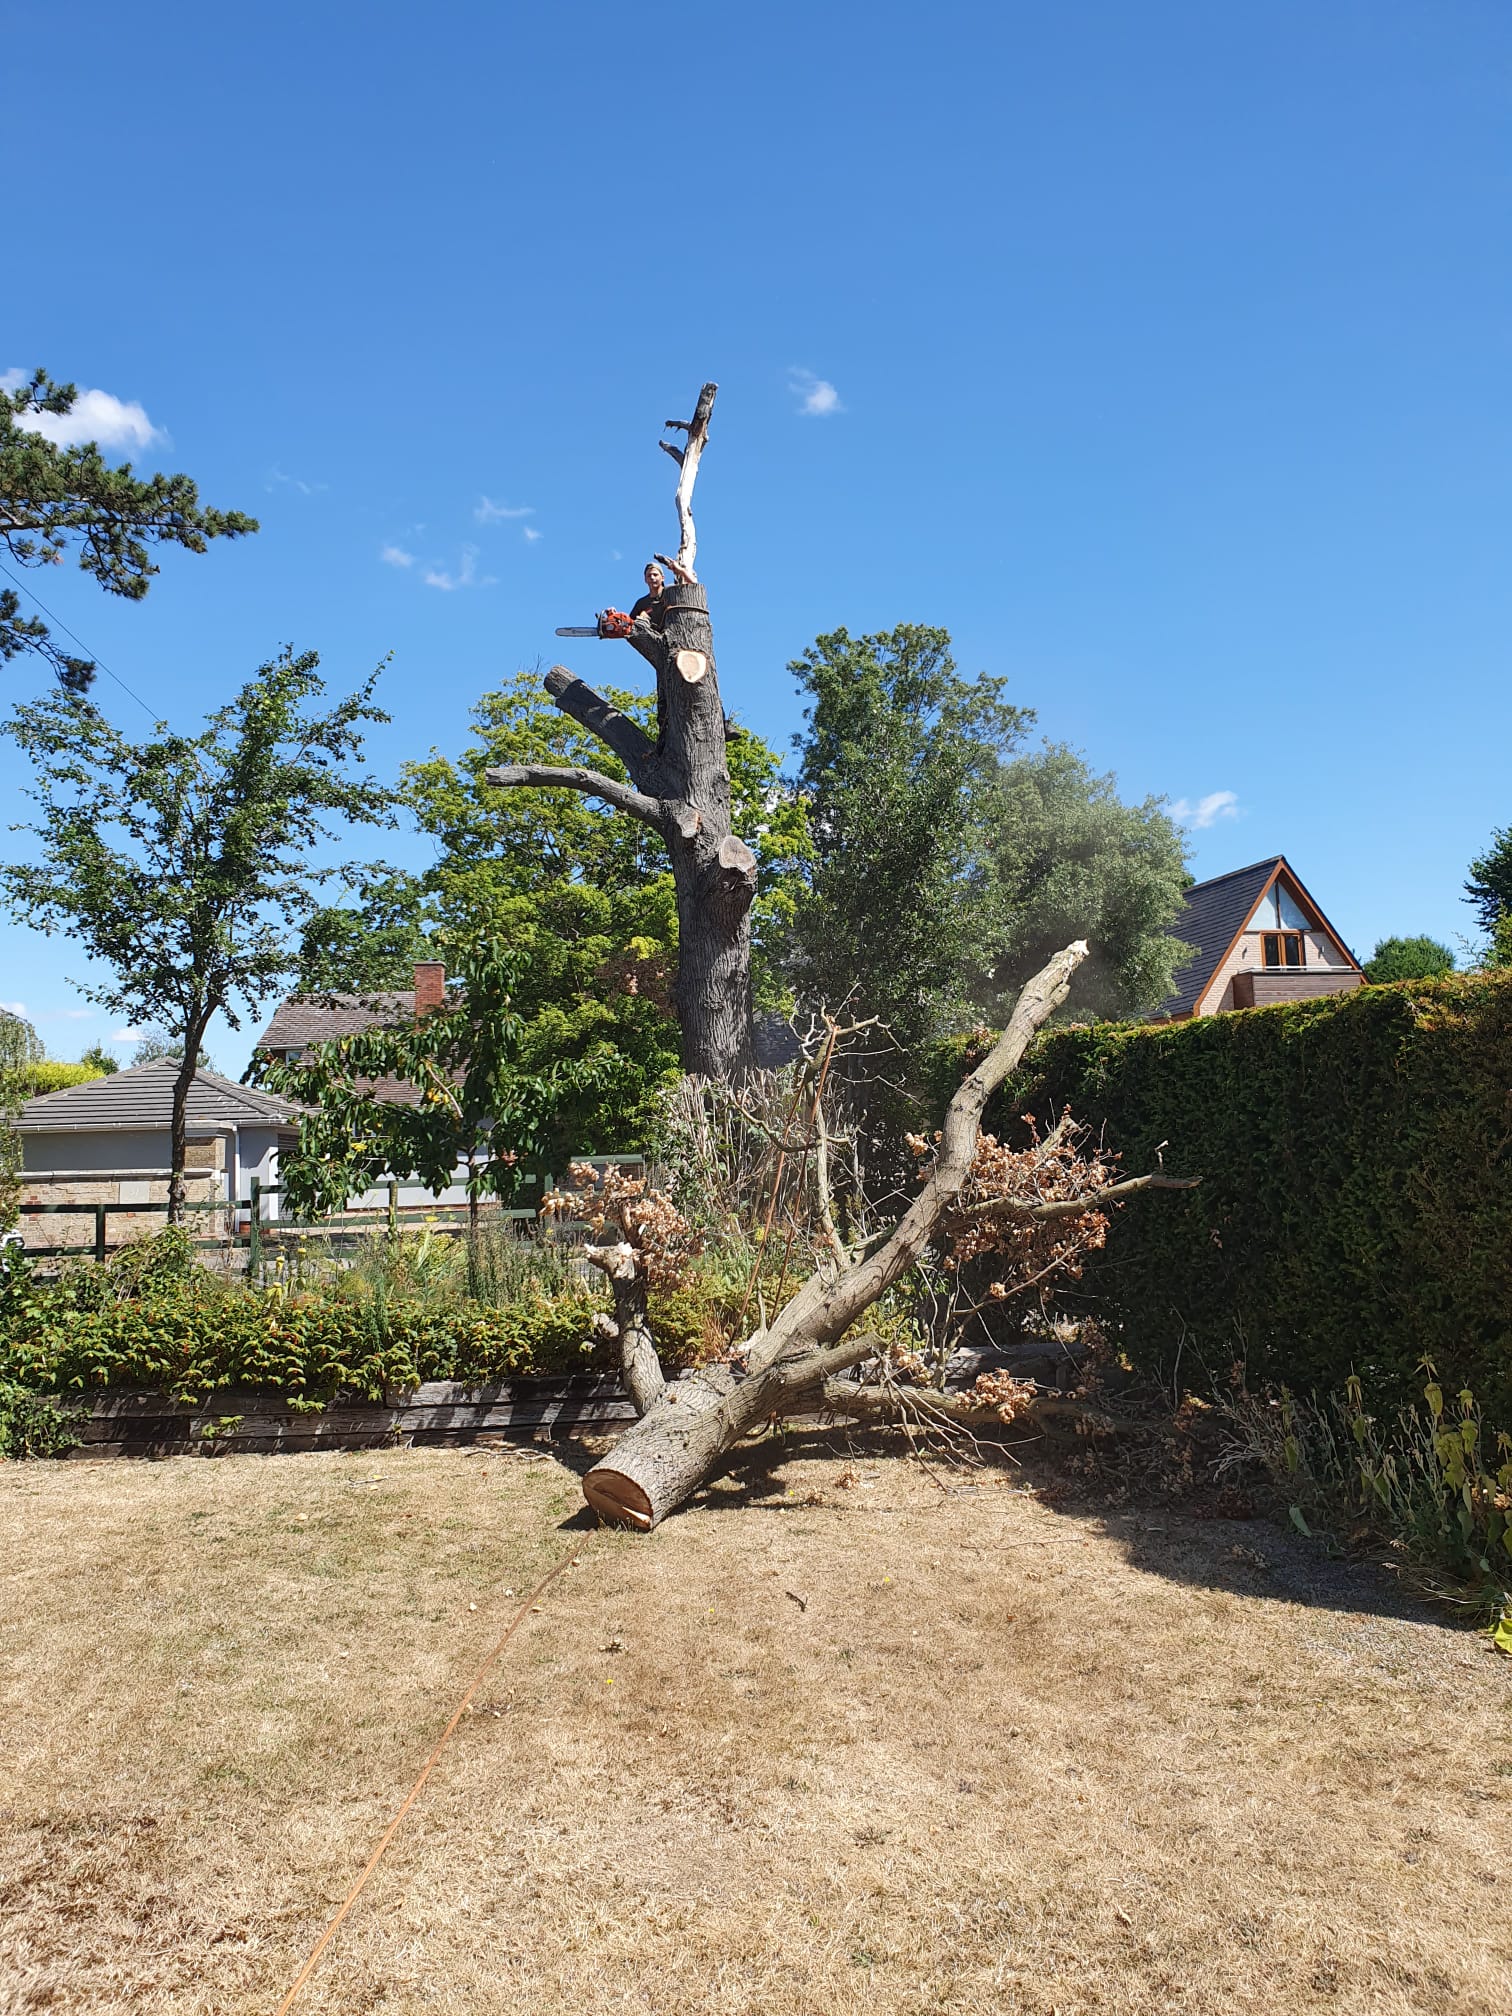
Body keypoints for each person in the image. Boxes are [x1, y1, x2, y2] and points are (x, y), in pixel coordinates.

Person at [629, 561, 669, 632]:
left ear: (662, 578)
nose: (652, 577)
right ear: (645, 579)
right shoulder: (641, 603)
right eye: (649, 575)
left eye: (655, 575)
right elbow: (629, 624)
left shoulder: (671, 594)